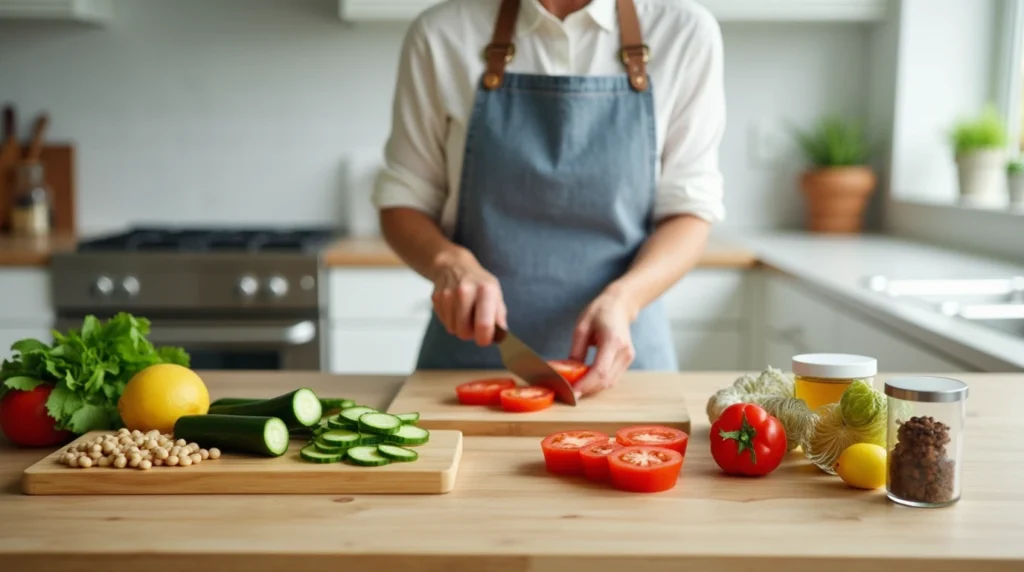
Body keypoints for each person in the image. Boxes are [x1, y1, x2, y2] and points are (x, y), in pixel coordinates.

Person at [373, 0, 726, 398]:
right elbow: (403, 201)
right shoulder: (441, 34)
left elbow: (690, 213)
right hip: (464, 372)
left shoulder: (685, 33)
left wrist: (624, 299)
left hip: (624, 368)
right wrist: (448, 262)